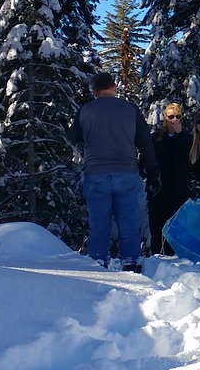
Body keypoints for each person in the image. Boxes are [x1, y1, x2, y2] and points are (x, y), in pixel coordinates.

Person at [67, 72, 159, 272]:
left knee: (99, 223)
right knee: (128, 220)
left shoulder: (85, 110)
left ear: (94, 91)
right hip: (126, 172)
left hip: (95, 173)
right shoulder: (130, 110)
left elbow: (73, 137)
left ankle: (99, 262)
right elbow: (145, 143)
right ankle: (131, 261)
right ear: (114, 87)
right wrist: (151, 171)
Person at [150, 102, 193, 253]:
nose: (174, 119)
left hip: (180, 189)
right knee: (158, 227)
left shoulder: (187, 138)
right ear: (165, 118)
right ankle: (157, 256)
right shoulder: (155, 139)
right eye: (170, 116)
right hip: (159, 189)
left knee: (179, 227)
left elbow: (191, 157)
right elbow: (146, 161)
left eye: (177, 116)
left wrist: (180, 134)